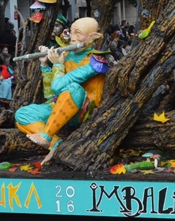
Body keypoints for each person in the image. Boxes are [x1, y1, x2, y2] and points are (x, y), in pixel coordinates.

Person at [15, 18, 107, 164]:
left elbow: (59, 86)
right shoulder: (66, 56)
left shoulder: (95, 62)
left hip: (83, 112)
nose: (73, 38)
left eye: (78, 34)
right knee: (22, 114)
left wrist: (57, 64)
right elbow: (51, 94)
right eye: (71, 33)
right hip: (60, 108)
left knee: (73, 88)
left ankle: (46, 136)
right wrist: (45, 65)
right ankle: (56, 144)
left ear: (92, 38)